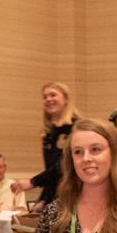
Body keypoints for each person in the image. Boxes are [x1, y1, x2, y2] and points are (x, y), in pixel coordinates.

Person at [11, 81, 80, 211]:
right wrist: (44, 199)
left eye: (53, 95)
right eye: (45, 97)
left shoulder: (76, 128)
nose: (48, 99)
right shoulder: (48, 132)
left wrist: (33, 182)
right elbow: (52, 171)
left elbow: (64, 165)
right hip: (56, 196)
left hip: (73, 195)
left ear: (65, 99)